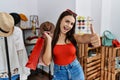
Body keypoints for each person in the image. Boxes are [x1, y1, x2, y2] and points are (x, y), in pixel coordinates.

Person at [42, 9, 101, 80]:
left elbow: (82, 37)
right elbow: (47, 62)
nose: (69, 26)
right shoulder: (50, 38)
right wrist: (48, 40)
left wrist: (92, 37)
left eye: (72, 24)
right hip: (59, 73)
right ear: (60, 20)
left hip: (75, 69)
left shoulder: (73, 37)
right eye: (67, 21)